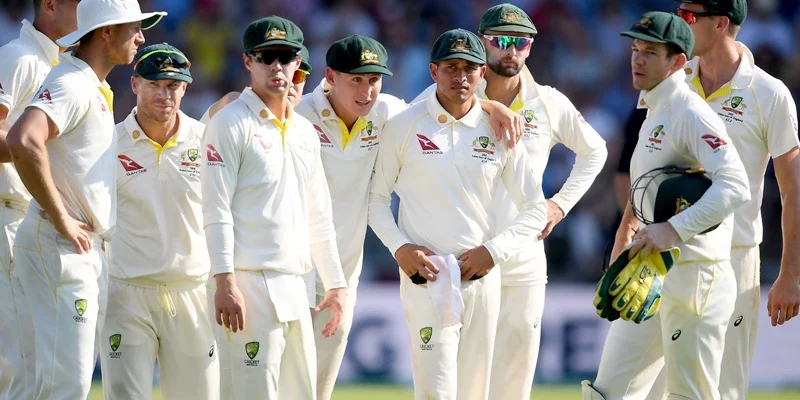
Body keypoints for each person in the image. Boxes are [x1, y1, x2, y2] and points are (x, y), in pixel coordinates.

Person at [368, 28, 548, 400]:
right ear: (434, 71)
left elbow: (534, 209)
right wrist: (401, 249)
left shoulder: (499, 130)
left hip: (480, 277)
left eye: (470, 68)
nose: (461, 77)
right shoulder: (405, 124)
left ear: (483, 74)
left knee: (474, 393)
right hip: (426, 275)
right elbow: (375, 198)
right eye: (451, 67)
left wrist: (493, 252)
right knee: (436, 392)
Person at [581, 11, 749, 400]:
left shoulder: (689, 111)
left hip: (696, 278)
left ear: (678, 62)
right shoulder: (652, 109)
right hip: (651, 273)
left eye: (650, 52)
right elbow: (648, 186)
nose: (637, 59)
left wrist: (672, 230)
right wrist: (627, 228)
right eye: (635, 49)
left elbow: (736, 185)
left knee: (689, 396)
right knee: (608, 392)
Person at [5, 0, 165, 398]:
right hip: (56, 242)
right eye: (134, 28)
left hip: (77, 247)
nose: (142, 38)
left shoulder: (91, 84)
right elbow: (23, 140)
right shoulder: (72, 81)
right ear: (106, 32)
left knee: (51, 383)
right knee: (63, 385)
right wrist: (60, 217)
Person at [466, 5, 609, 399]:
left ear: (530, 48)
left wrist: (559, 204)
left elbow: (594, 152)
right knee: (465, 375)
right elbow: (423, 115)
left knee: (515, 377)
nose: (510, 51)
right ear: (483, 44)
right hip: (465, 250)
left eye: (520, 42)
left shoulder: (548, 102)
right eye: (501, 41)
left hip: (523, 256)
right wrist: (486, 104)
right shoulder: (457, 99)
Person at [200, 16, 347, 399]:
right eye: (267, 57)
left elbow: (319, 214)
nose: (277, 67)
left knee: (301, 393)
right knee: (252, 393)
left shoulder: (303, 132)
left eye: (285, 57)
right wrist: (224, 279)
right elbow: (215, 208)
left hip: (296, 283)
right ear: (248, 61)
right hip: (247, 283)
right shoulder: (230, 122)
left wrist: (335, 283)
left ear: (298, 62)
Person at [676, 2, 800, 399]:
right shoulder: (673, 80)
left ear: (721, 24)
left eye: (689, 16)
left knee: (725, 387)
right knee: (665, 387)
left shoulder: (770, 93)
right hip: (670, 251)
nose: (680, 22)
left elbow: (793, 189)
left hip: (735, 255)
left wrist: (791, 274)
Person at [99, 43, 219, 400]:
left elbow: (224, 215)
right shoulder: (108, 143)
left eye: (173, 86)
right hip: (126, 293)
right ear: (135, 84)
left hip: (193, 290)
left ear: (185, 88)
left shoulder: (207, 140)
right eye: (155, 84)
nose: (164, 94)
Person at [294, 35, 406, 400]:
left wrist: (491, 108)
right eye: (356, 78)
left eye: (374, 79)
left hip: (341, 277)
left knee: (317, 391)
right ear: (330, 76)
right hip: (287, 271)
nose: (367, 90)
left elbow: (443, 110)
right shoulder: (297, 112)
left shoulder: (388, 114)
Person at [0, 0, 79, 397]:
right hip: (9, 216)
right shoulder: (19, 57)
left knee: (41, 363)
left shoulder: (63, 67)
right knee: (17, 364)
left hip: (37, 222)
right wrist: (28, 149)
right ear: (50, 5)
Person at [201, 45, 311, 122]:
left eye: (297, 76)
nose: (289, 83)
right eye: (279, 72)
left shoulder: (306, 128)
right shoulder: (234, 104)